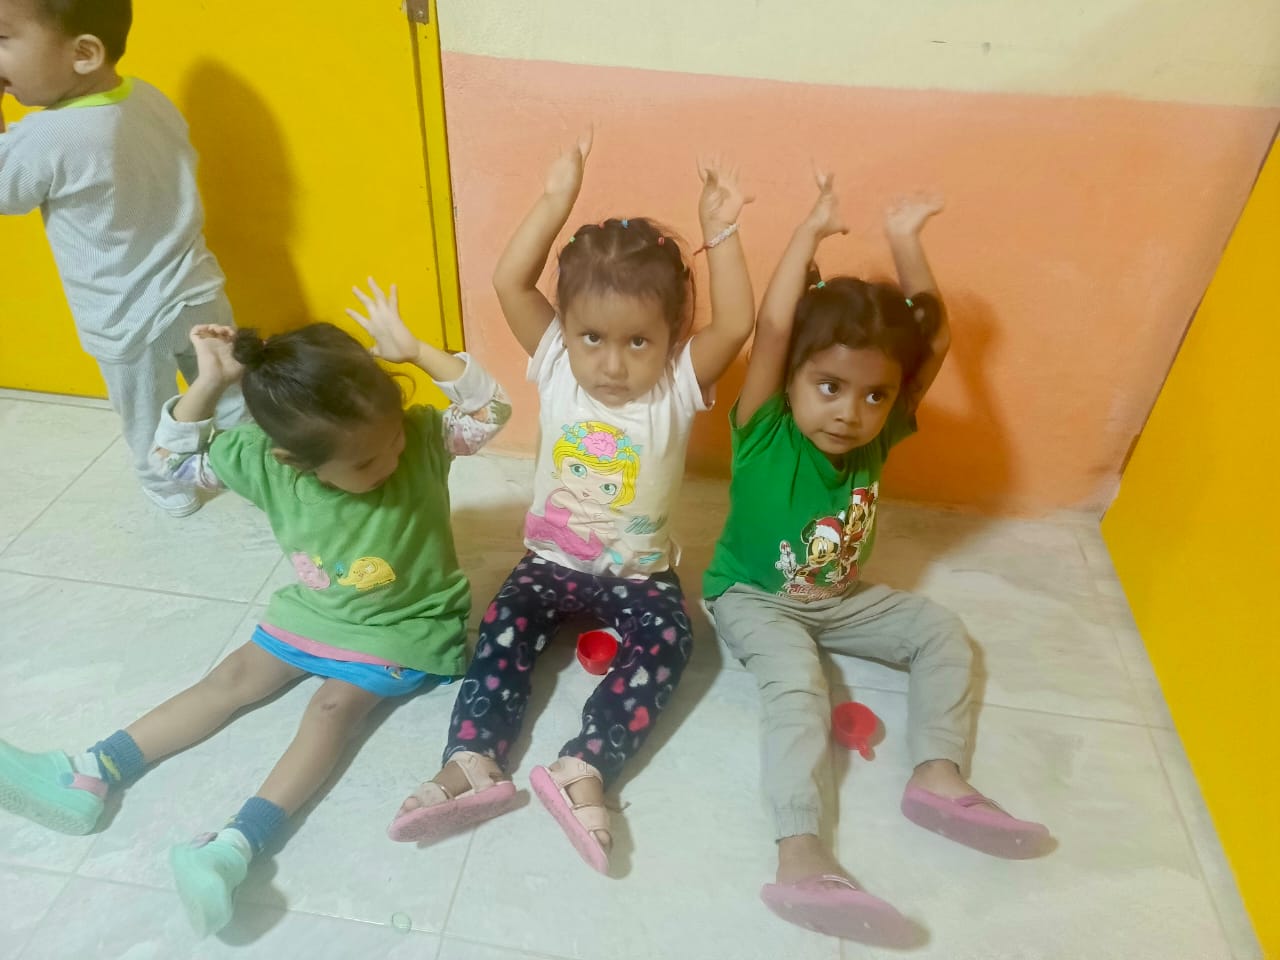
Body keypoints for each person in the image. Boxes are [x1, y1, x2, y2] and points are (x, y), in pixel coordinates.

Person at [0, 281, 511, 935]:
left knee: (330, 712)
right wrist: (209, 383)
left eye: (391, 442)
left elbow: (492, 409)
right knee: (229, 679)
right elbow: (170, 463)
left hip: (405, 626)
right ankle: (90, 772)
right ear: (293, 461)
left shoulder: (419, 435)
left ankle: (234, 849)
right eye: (364, 462)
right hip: (311, 614)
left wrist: (416, 351)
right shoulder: (263, 462)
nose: (391, 458)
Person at [388, 132, 756, 876]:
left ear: (671, 338)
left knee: (674, 641)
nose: (611, 363)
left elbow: (736, 324)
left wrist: (719, 233)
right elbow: (509, 282)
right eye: (593, 336)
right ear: (567, 331)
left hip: (640, 573)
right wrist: (556, 198)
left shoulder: (677, 384)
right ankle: (472, 760)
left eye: (638, 342)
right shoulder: (556, 360)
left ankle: (585, 766)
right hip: (549, 562)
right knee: (500, 630)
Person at [702, 174, 1051, 945]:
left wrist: (905, 242)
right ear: (790, 377)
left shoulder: (880, 433)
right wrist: (808, 229)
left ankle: (937, 777)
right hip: (751, 597)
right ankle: (801, 852)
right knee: (799, 685)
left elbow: (936, 341)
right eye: (829, 386)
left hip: (840, 597)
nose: (850, 412)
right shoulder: (764, 427)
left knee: (941, 632)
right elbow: (773, 322)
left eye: (873, 396)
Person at [0, 0, 242, 516]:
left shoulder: (45, 135)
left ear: (84, 53)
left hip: (124, 316)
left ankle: (169, 488)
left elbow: (5, 194)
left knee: (146, 414)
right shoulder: (148, 97)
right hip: (196, 287)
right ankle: (252, 464)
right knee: (227, 387)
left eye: (2, 39)